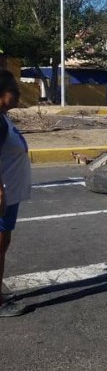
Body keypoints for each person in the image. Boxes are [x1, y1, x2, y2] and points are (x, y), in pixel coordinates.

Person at [0, 69, 31, 317]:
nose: (19, 95)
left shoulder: (3, 118)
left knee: (2, 244)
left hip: (9, 193)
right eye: (15, 91)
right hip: (3, 194)